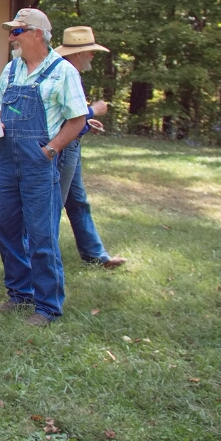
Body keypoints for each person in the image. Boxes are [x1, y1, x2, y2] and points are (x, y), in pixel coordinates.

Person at [0, 8, 88, 326]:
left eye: (17, 32)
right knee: (6, 228)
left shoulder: (63, 72)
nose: (11, 38)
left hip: (39, 165)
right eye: (10, 32)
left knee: (42, 235)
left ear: (37, 34)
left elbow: (78, 119)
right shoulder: (12, 69)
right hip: (6, 162)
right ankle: (19, 294)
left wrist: (51, 150)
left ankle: (48, 306)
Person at [54, 26, 126, 269]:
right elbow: (59, 118)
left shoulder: (69, 73)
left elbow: (69, 116)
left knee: (77, 202)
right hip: (63, 148)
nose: (93, 55)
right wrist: (94, 110)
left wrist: (85, 124)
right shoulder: (65, 75)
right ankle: (42, 260)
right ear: (78, 53)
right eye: (90, 51)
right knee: (53, 205)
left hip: (71, 146)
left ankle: (96, 255)